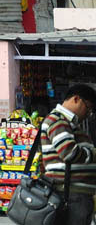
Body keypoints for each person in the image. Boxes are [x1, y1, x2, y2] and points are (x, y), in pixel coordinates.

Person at [39, 83, 96, 225]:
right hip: (70, 195)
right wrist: (94, 153)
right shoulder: (58, 120)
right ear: (76, 99)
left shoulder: (68, 123)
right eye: (88, 108)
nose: (87, 114)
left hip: (76, 194)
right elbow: (69, 152)